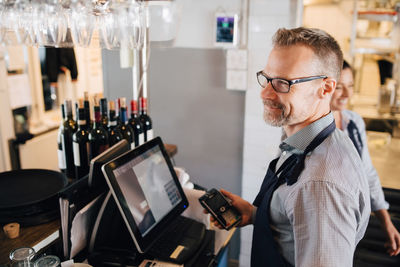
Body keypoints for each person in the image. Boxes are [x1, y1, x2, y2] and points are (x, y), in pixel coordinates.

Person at [209, 27, 371, 267]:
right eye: (266, 78)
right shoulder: (307, 141)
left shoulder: (320, 186)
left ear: (325, 88)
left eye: (283, 83)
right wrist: (256, 214)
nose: (265, 93)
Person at [331, 60, 400, 256]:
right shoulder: (311, 131)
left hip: (353, 224)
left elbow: (366, 173)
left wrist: (386, 221)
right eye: (340, 86)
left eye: (351, 86)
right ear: (326, 86)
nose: (347, 94)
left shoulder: (354, 122)